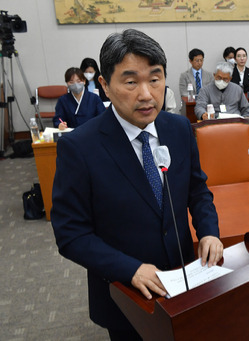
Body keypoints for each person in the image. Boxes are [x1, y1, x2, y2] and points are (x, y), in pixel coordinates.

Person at [51, 29, 223, 340]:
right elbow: (70, 233)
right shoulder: (80, 147)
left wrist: (209, 231)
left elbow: (197, 191)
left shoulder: (179, 128)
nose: (146, 94)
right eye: (131, 82)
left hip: (184, 280)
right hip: (126, 295)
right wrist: (128, 268)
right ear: (104, 85)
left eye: (155, 79)